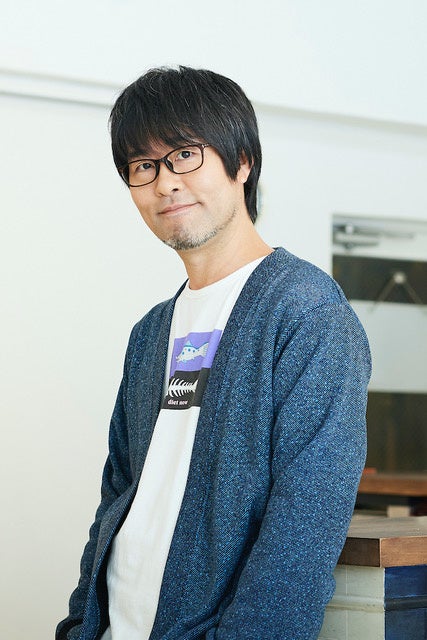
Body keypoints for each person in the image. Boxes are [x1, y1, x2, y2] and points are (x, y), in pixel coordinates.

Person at [56, 65, 371, 640]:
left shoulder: (305, 313)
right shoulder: (151, 333)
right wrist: (81, 622)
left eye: (184, 155)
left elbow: (305, 523)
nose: (164, 183)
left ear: (242, 161)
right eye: (143, 166)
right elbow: (118, 496)